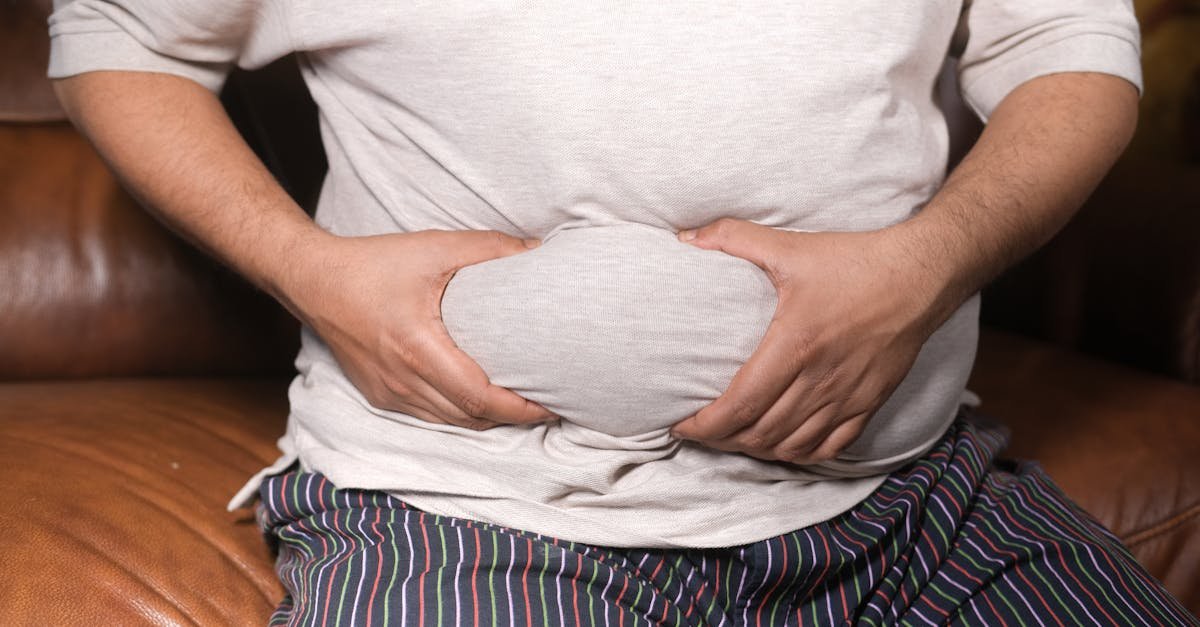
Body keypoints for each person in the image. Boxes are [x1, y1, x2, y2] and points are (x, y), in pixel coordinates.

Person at [47, 0, 1195, 624]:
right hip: (463, 509)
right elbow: (117, 32)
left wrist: (934, 260)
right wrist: (303, 265)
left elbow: (1061, 37)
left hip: (910, 501)